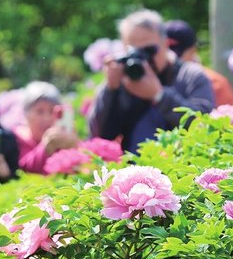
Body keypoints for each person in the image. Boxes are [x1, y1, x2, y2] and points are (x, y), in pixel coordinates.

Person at [87, 9, 214, 155]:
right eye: (134, 52)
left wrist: (159, 95)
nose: (143, 58)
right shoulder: (122, 80)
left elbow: (203, 126)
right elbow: (99, 136)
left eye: (150, 50)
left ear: (165, 43)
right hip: (135, 172)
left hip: (184, 172)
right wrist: (110, 90)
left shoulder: (191, 76)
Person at [165, 19, 233, 107]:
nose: (171, 60)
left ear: (193, 50)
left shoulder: (215, 83)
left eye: (178, 56)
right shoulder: (151, 80)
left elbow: (227, 119)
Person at [14, 81, 78, 174]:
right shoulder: (17, 138)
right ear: (26, 114)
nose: (46, 118)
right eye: (40, 111)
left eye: (52, 111)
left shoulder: (61, 136)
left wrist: (73, 145)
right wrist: (46, 147)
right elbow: (22, 170)